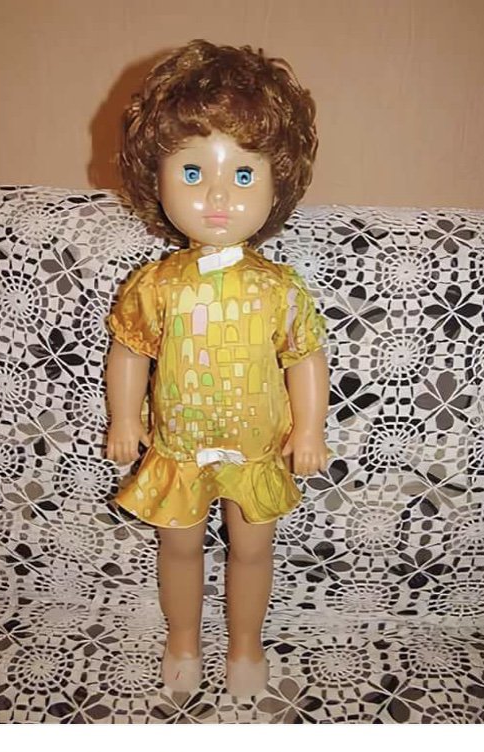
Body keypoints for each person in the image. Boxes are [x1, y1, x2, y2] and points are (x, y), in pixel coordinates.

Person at [104, 40, 331, 698]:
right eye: (192, 170)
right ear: (156, 176)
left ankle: (245, 645)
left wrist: (309, 427)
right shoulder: (157, 285)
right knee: (178, 546)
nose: (217, 195)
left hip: (256, 449)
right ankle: (182, 638)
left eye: (243, 174)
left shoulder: (279, 288)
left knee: (252, 548)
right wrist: (124, 419)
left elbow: (304, 356)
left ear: (277, 182)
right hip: (178, 448)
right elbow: (130, 350)